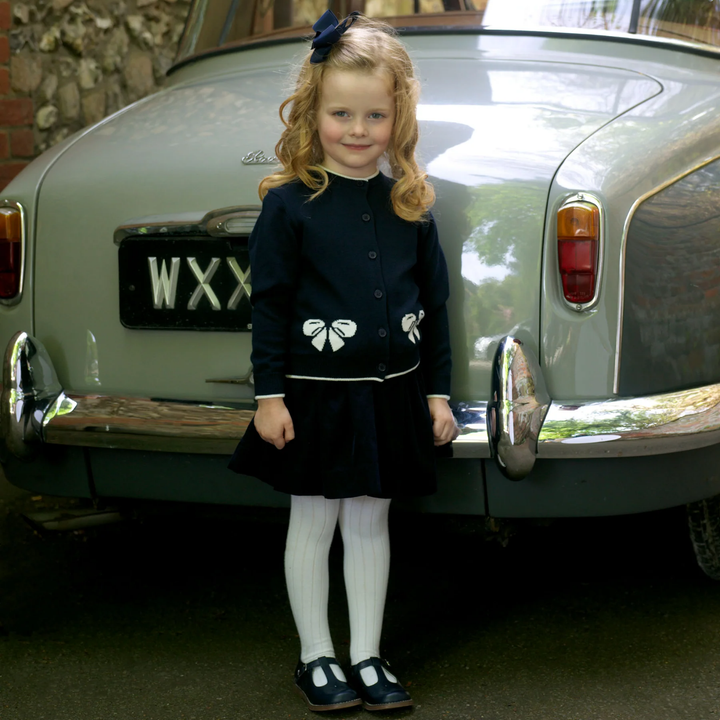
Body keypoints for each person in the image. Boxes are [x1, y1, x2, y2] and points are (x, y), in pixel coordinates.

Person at [229, 9, 458, 713]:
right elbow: (267, 306)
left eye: (375, 116)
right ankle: (315, 657)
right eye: (340, 114)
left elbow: (437, 310)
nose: (358, 131)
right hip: (314, 395)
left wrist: (437, 396)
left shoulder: (410, 205)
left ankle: (366, 654)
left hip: (390, 394)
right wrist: (270, 397)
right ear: (313, 112)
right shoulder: (291, 208)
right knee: (314, 521)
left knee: (368, 524)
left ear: (399, 119)